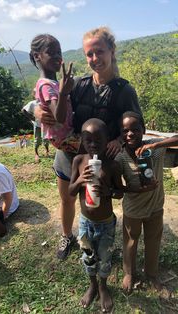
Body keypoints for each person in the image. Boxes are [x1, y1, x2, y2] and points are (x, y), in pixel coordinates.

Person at [34, 27, 143, 260]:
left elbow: (136, 124)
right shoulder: (80, 84)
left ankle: (103, 242)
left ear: (111, 51)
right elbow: (50, 98)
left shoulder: (124, 90)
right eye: (89, 54)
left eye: (99, 52)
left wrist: (119, 139)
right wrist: (35, 112)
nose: (95, 59)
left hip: (102, 158)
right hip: (69, 153)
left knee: (99, 199)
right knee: (67, 198)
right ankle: (67, 235)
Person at [115, 111, 178, 293]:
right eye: (125, 131)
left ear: (143, 130)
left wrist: (155, 144)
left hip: (156, 207)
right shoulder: (120, 157)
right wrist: (137, 189)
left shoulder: (154, 150)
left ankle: (152, 274)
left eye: (135, 130)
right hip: (133, 208)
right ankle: (129, 273)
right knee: (131, 241)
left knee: (153, 241)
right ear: (121, 133)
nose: (130, 134)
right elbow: (117, 189)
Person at [69, 118, 124, 312]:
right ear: (82, 141)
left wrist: (108, 191)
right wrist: (79, 181)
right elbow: (70, 192)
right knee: (88, 256)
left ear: (107, 139)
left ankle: (103, 285)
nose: (93, 145)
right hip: (85, 222)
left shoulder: (112, 166)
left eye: (98, 140)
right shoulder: (78, 161)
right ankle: (92, 284)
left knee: (105, 257)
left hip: (106, 223)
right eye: (88, 140)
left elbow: (120, 192)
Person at [29, 34, 80, 153]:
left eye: (59, 52)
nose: (57, 56)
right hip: (63, 139)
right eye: (51, 53)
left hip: (68, 134)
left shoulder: (54, 83)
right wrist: (63, 93)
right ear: (37, 56)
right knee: (94, 148)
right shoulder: (46, 85)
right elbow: (59, 118)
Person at [22, 93, 49, 163]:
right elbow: (23, 110)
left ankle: (47, 150)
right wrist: (32, 118)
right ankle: (36, 153)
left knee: (46, 138)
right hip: (37, 125)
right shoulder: (33, 103)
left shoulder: (46, 102)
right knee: (37, 139)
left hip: (45, 124)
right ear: (34, 95)